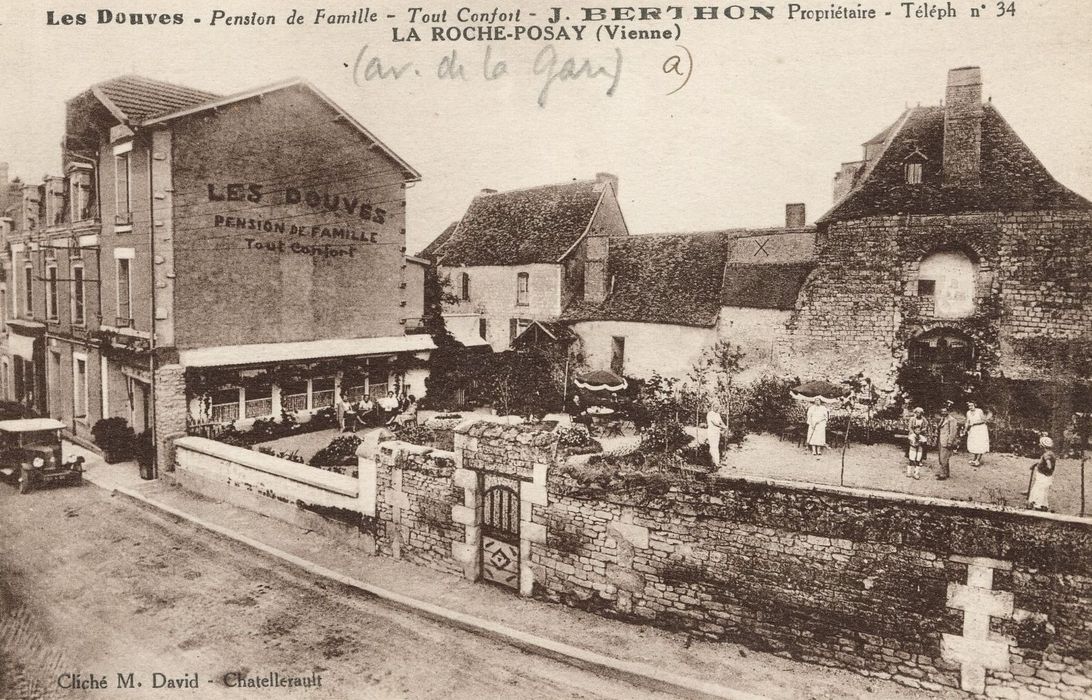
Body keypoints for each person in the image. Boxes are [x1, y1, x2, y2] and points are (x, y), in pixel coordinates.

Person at [1027, 436, 1057, 511]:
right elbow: (1042, 462)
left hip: (1043, 476)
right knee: (1042, 491)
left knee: (1039, 490)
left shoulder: (1046, 455)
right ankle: (1043, 505)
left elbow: (1048, 465)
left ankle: (1038, 506)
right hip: (1047, 476)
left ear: (1043, 446)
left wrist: (1044, 468)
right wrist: (1035, 464)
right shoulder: (1051, 453)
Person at [935, 401, 961, 481]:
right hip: (941, 439)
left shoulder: (952, 420)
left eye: (945, 411)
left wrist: (950, 442)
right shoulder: (943, 419)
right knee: (941, 457)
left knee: (943, 457)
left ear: (948, 411)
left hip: (946, 441)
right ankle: (946, 472)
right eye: (942, 411)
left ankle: (943, 474)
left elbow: (953, 432)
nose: (943, 412)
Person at [964, 401, 991, 467]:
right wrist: (965, 429)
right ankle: (974, 459)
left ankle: (978, 460)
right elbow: (967, 422)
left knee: (980, 444)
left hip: (981, 429)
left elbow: (984, 420)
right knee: (974, 444)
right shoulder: (968, 412)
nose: (970, 407)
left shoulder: (979, 411)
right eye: (969, 406)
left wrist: (975, 423)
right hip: (973, 430)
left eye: (971, 405)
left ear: (975, 405)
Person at [906, 407, 927, 479]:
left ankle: (916, 471)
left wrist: (920, 431)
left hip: (920, 434)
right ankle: (909, 471)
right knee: (911, 453)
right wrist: (914, 434)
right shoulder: (912, 419)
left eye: (920, 413)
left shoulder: (924, 419)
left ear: (921, 413)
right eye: (917, 412)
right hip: (913, 434)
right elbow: (909, 427)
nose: (918, 414)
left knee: (920, 452)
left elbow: (925, 427)